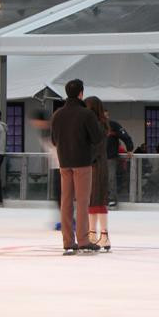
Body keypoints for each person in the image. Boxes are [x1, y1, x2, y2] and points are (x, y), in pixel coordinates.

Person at [51, 79, 104, 254]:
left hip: (64, 162)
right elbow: (97, 138)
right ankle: (82, 240)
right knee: (82, 201)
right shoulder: (86, 114)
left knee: (66, 201)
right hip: (82, 162)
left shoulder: (57, 114)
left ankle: (67, 241)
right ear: (81, 93)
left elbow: (53, 140)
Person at [86, 97, 111, 251]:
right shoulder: (103, 123)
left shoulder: (96, 125)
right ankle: (95, 234)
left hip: (95, 165)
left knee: (96, 200)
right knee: (95, 201)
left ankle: (102, 235)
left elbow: (93, 147)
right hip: (99, 164)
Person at [29, 110, 62, 225]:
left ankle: (68, 219)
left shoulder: (52, 130)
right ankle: (65, 218)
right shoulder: (45, 131)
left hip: (62, 166)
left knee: (62, 194)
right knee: (59, 195)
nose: (34, 124)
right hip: (56, 165)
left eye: (35, 121)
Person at [104, 109, 133, 208]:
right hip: (97, 158)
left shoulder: (113, 125)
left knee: (111, 178)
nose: (105, 118)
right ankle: (101, 198)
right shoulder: (95, 125)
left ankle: (112, 199)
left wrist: (129, 148)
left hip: (110, 156)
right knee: (98, 179)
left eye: (107, 116)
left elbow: (125, 136)